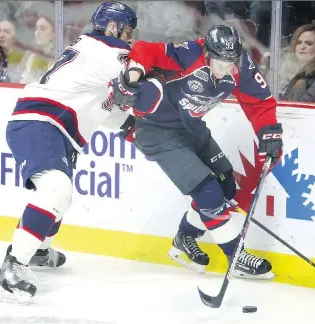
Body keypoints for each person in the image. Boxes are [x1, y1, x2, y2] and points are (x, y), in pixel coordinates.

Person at [0, 1, 137, 304]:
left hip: (55, 128)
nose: (131, 38)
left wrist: (133, 128)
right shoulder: (108, 50)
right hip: (40, 122)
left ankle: (39, 249)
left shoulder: (93, 53)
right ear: (112, 28)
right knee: (56, 188)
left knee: (63, 193)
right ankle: (10, 269)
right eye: (128, 30)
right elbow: (142, 78)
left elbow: (103, 107)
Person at [109, 25, 283, 278]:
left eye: (230, 63)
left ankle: (185, 239)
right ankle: (236, 256)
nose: (225, 70)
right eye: (219, 63)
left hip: (192, 127)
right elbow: (146, 49)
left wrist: (269, 132)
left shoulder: (241, 66)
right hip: (157, 131)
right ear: (207, 53)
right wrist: (133, 75)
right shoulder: (189, 53)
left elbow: (259, 101)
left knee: (225, 187)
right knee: (207, 191)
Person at [279, 23, 315, 103]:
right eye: (299, 42)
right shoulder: (296, 73)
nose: (302, 47)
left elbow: (308, 103)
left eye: (309, 43)